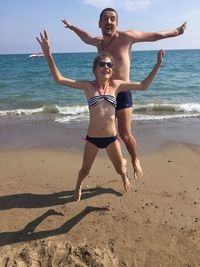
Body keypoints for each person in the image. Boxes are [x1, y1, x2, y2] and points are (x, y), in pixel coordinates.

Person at [36, 30, 165, 201]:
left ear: (112, 71)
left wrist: (157, 65)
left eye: (109, 65)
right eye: (102, 64)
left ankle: (124, 177)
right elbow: (59, 79)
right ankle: (78, 186)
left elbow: (143, 86)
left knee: (120, 169)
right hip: (92, 139)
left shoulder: (116, 86)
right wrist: (48, 55)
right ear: (95, 69)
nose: (106, 67)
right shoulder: (87, 87)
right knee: (84, 171)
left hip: (112, 139)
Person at [62, 8, 186, 180]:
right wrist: (73, 27)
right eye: (105, 19)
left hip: (123, 92)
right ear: (99, 24)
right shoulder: (98, 42)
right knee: (107, 132)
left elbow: (153, 35)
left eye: (113, 19)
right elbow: (86, 38)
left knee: (125, 134)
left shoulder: (126, 37)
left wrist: (176, 32)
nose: (109, 22)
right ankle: (120, 165)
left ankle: (135, 160)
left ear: (117, 23)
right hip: (106, 94)